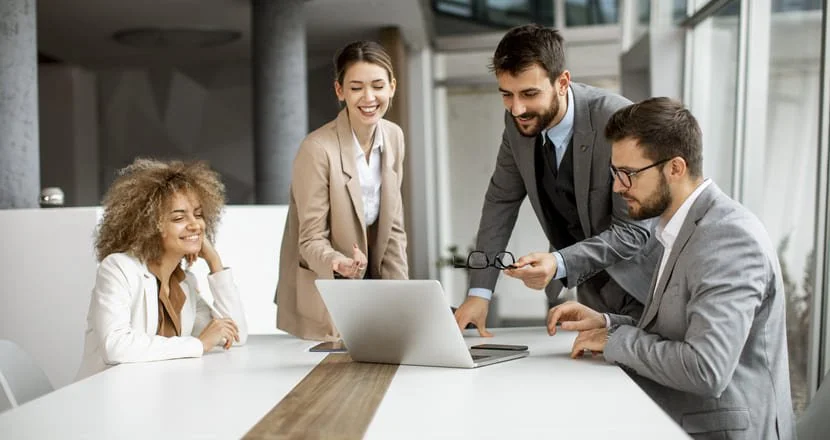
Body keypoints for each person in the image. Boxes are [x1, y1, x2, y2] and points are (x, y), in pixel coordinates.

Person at [538, 97, 795, 439]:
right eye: (615, 173)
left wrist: (616, 339)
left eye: (628, 174)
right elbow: (682, 331)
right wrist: (607, 323)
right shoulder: (681, 227)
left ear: (675, 168)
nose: (617, 187)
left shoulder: (728, 238)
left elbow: (706, 369)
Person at [454, 24, 660, 336]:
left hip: (647, 289)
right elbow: (501, 201)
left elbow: (633, 232)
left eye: (529, 94)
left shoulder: (617, 119)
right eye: (506, 95)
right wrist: (479, 293)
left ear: (562, 82)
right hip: (592, 295)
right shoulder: (517, 123)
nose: (517, 108)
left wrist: (558, 263)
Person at [276, 40, 408, 341]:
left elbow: (394, 230)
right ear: (340, 91)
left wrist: (403, 302)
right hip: (327, 290)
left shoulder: (394, 136)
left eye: (377, 85)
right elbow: (309, 239)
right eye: (356, 87)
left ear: (392, 86)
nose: (369, 97)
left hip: (372, 287)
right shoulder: (316, 149)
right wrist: (337, 262)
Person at [76, 159, 248, 380]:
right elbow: (115, 346)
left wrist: (214, 261)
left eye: (197, 214)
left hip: (159, 398)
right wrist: (198, 344)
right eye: (179, 217)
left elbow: (234, 335)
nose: (195, 224)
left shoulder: (184, 282)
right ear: (149, 226)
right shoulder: (118, 268)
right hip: (107, 397)